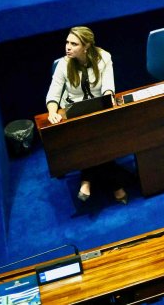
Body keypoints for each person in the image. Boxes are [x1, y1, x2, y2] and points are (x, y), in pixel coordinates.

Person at [45, 26, 129, 204]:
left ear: (87, 46)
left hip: (98, 109)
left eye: (74, 44)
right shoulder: (63, 64)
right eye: (67, 42)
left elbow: (108, 88)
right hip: (74, 113)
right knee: (91, 139)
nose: (68, 47)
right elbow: (53, 95)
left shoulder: (104, 58)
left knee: (99, 137)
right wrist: (52, 112)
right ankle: (115, 185)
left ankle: (86, 179)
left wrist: (106, 105)